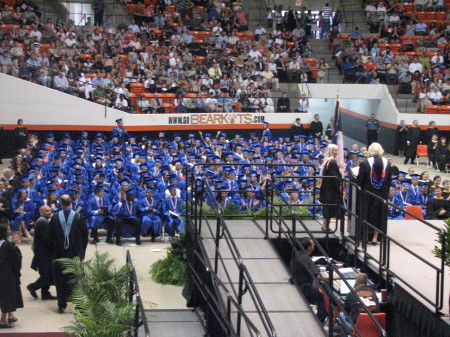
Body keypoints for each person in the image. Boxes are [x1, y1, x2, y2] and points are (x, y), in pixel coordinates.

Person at [49, 195, 88, 313]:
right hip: (75, 254)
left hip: (59, 254)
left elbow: (50, 238)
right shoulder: (78, 217)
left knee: (60, 279)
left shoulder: (55, 217)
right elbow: (84, 237)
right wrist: (81, 253)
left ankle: (61, 304)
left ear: (61, 203)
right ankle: (79, 304)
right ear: (71, 203)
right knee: (75, 278)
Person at [357, 143, 392, 245]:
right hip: (382, 194)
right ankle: (376, 237)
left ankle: (366, 236)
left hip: (368, 194)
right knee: (379, 214)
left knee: (367, 213)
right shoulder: (387, 163)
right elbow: (389, 180)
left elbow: (360, 180)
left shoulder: (366, 163)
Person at [290, 238, 327, 324]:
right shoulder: (305, 258)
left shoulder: (297, 254)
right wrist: (333, 276)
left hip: (297, 282)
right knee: (324, 297)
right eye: (313, 244)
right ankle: (319, 321)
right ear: (309, 247)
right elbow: (317, 276)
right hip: (305, 287)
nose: (315, 245)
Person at [27, 206, 57, 300]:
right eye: (46, 211)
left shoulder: (45, 222)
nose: (49, 212)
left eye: (49, 211)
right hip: (43, 254)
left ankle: (45, 293)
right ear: (41, 212)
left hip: (46, 253)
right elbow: (47, 239)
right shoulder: (41, 223)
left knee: (48, 273)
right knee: (47, 274)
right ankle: (33, 286)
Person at [0, 223, 23, 329]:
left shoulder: (4, 244)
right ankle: (3, 320)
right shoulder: (7, 245)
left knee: (6, 295)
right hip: (7, 275)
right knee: (7, 296)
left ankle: (10, 315)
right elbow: (16, 258)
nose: (9, 230)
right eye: (8, 229)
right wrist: (16, 244)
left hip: (3, 274)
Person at [320, 144, 345, 231]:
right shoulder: (332, 162)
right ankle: (325, 226)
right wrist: (341, 169)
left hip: (326, 187)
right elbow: (335, 178)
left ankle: (325, 225)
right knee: (329, 206)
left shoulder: (326, 161)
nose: (337, 152)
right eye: (335, 150)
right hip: (330, 189)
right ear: (331, 151)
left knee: (327, 206)